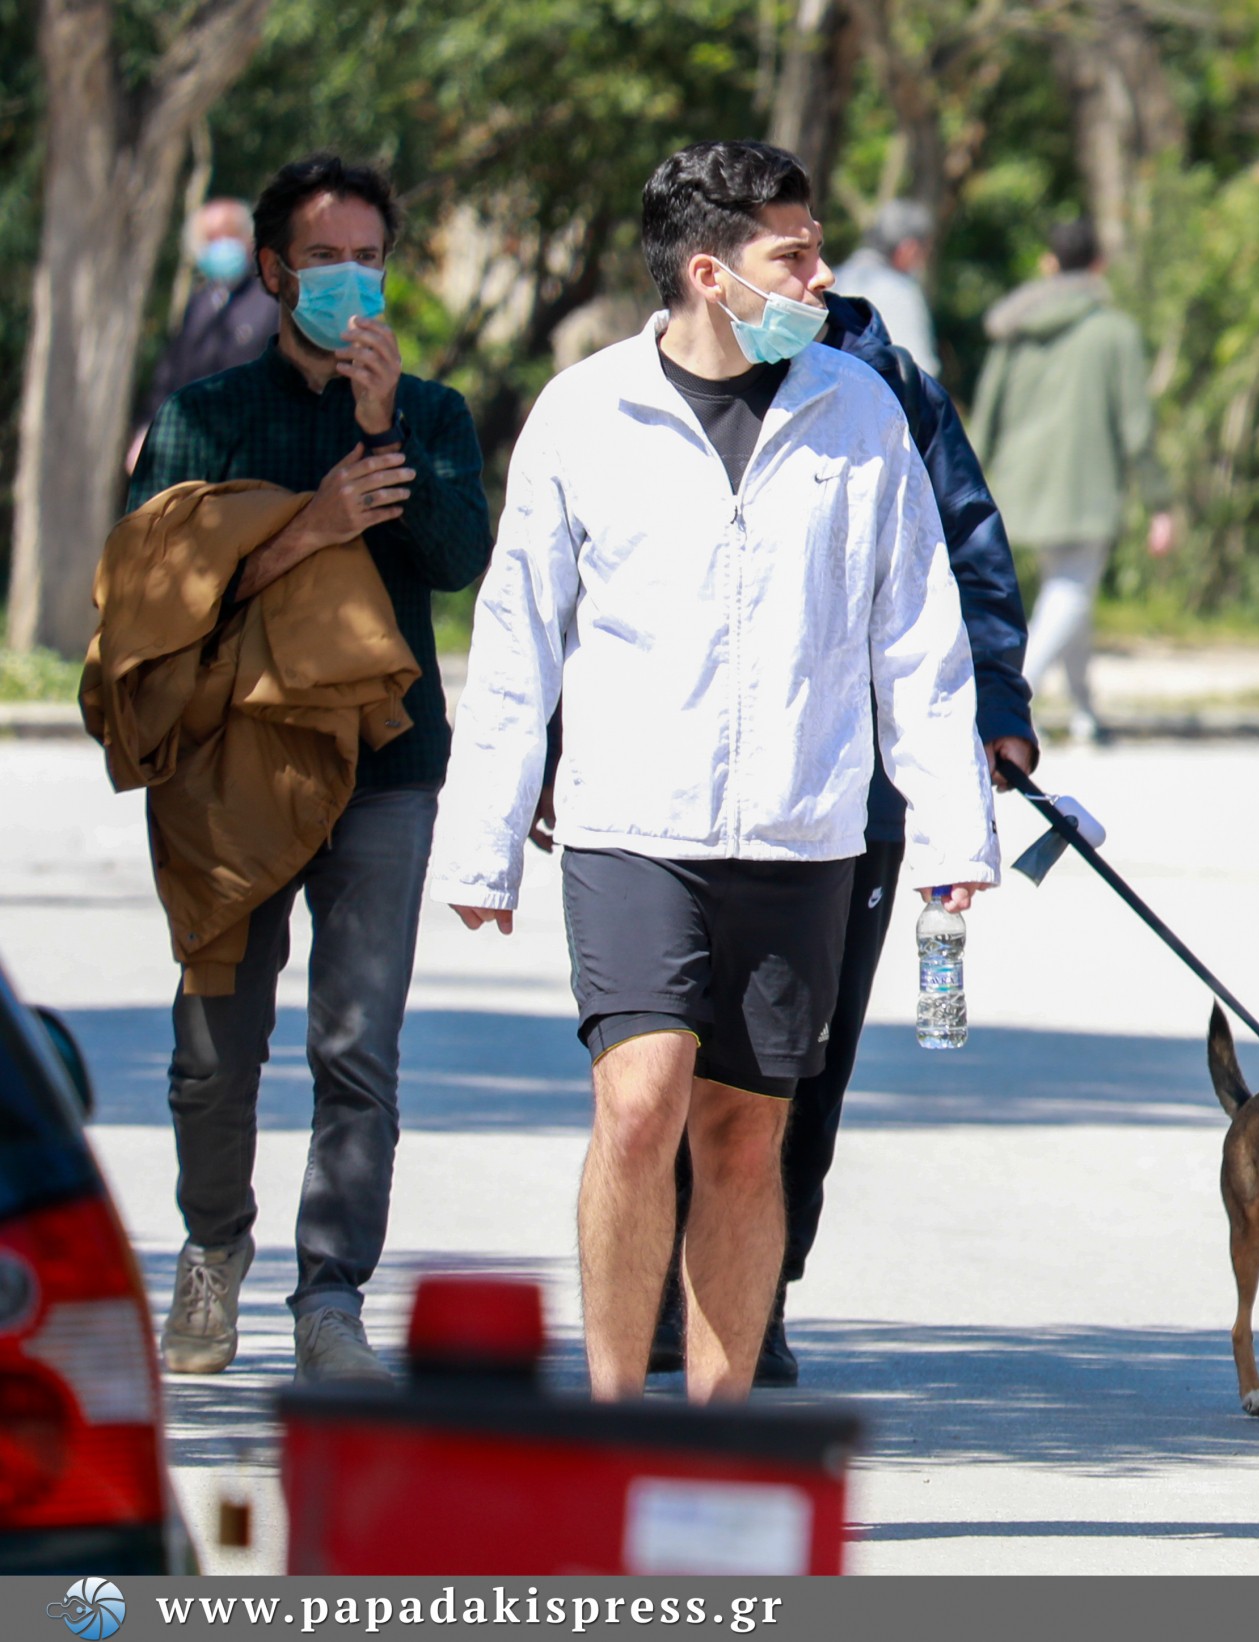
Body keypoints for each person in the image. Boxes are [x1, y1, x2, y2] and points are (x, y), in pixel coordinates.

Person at [428, 140, 1001, 1404]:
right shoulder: (586, 411)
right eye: (792, 253)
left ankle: (711, 1442)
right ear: (709, 272)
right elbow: (517, 635)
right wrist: (482, 841)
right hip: (635, 822)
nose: (820, 272)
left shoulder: (857, 409)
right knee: (639, 1103)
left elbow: (914, 632)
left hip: (802, 829)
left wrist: (954, 838)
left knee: (747, 1137)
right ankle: (615, 1415)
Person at [128, 153, 492, 1384]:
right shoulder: (205, 413)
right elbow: (153, 597)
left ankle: (330, 1296)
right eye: (323, 258)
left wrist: (382, 431)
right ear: (275, 270)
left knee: (357, 1046)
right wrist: (313, 527)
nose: (348, 281)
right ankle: (209, 1251)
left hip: (385, 772)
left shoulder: (431, 414)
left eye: (366, 258)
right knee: (214, 1045)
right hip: (228, 761)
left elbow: (453, 559)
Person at [969, 218, 1175, 745]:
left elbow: (986, 413)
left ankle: (1085, 712)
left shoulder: (1015, 330)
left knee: (1070, 596)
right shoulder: (1115, 331)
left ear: (1049, 262)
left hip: (1016, 482)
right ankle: (1014, 695)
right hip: (1084, 487)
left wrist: (966, 481)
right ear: (1099, 266)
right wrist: (1159, 502)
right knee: (1070, 591)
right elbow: (1136, 426)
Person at [128, 197, 282, 470]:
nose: (221, 242)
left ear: (248, 238)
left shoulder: (273, 300)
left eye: (229, 233)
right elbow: (171, 374)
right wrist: (147, 430)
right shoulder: (200, 304)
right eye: (211, 237)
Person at [834, 199, 941, 376]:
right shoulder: (901, 293)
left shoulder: (834, 279)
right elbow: (917, 372)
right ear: (908, 249)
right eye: (925, 252)